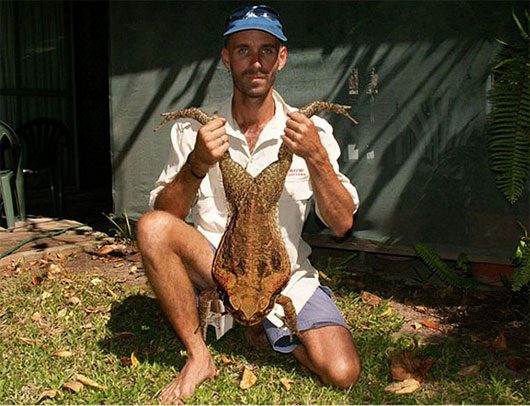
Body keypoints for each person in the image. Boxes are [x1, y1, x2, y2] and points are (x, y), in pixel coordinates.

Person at [137, 4, 361, 403]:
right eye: (243, 50)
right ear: (227, 58)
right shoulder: (198, 130)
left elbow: (342, 223)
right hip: (217, 267)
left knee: (342, 372)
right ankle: (198, 356)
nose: (255, 61)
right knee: (151, 228)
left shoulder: (310, 130)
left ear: (282, 58)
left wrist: (316, 157)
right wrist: (197, 164)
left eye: (266, 50)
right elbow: (164, 216)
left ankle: (262, 325)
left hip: (284, 276)